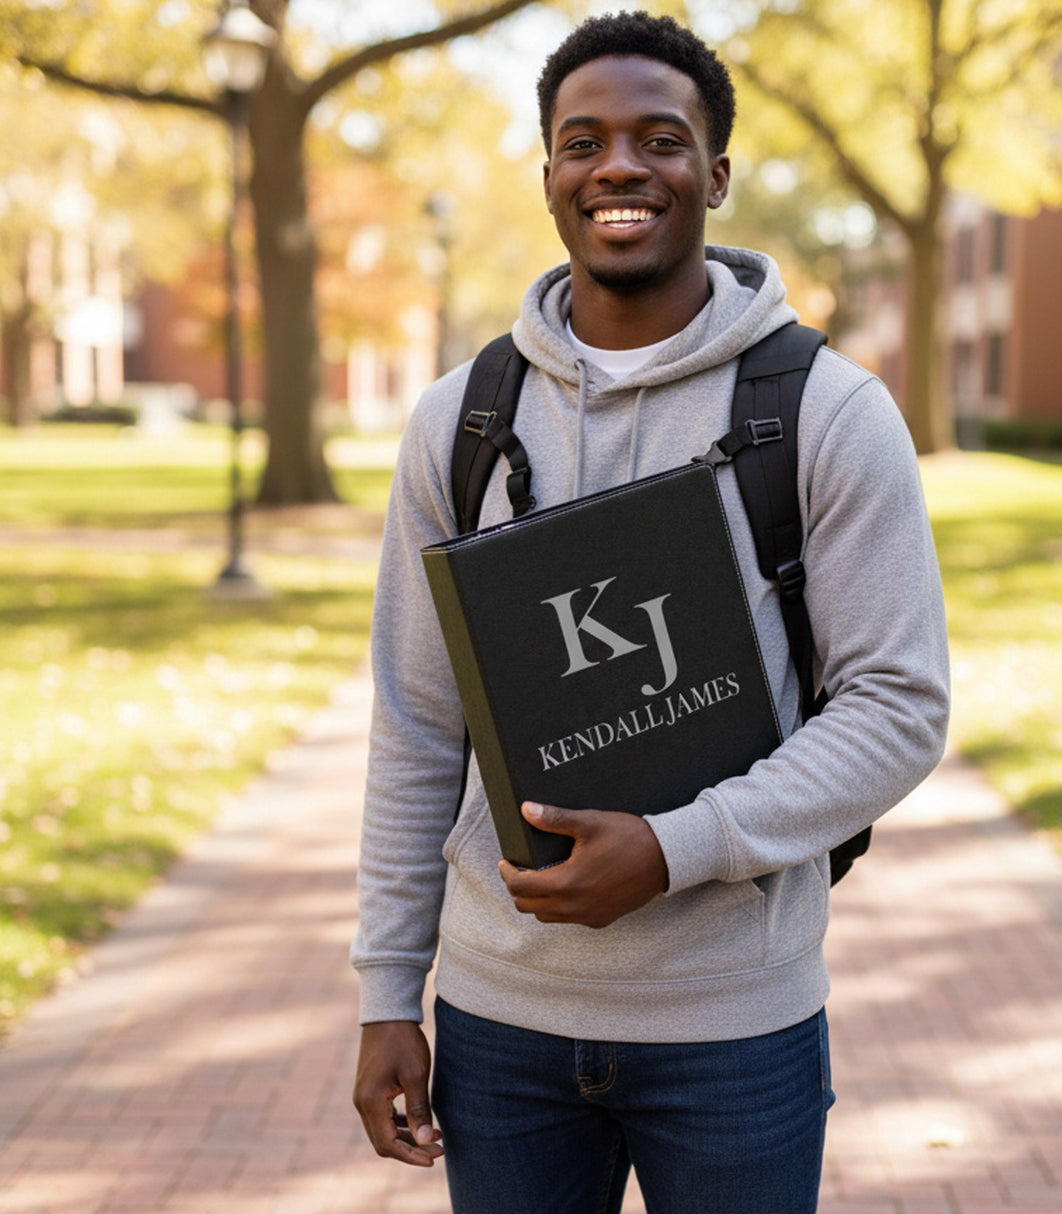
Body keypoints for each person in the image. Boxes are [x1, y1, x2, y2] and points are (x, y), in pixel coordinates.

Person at [351, 12, 949, 1213]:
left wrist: (678, 848)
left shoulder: (826, 412)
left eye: (658, 139)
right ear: (550, 178)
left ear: (714, 173)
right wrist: (383, 991)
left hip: (733, 1024)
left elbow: (897, 706)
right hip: (498, 1023)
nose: (617, 166)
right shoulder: (458, 422)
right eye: (582, 142)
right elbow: (416, 724)